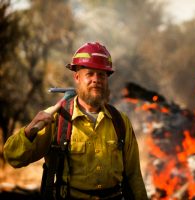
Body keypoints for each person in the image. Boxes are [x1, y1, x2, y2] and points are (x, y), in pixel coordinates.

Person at [4, 42, 148, 200]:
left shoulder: (120, 121)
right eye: (90, 74)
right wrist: (30, 129)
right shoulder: (57, 118)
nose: (96, 80)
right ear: (77, 77)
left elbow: (134, 176)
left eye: (102, 75)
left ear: (107, 79)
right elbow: (13, 157)